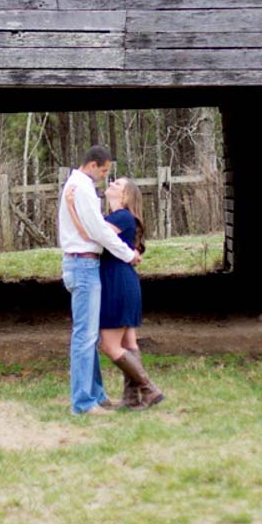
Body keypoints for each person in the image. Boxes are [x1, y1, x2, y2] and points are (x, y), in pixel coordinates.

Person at [58, 145, 142, 416]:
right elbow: (99, 232)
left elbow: (91, 229)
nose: (105, 177)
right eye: (105, 171)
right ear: (93, 165)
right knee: (84, 336)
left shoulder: (78, 187)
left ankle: (96, 394)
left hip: (82, 263)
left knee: (89, 335)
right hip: (83, 264)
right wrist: (128, 254)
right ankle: (83, 403)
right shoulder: (82, 187)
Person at [97, 177, 164, 409]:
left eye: (117, 184)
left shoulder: (121, 217)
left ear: (125, 196)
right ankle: (131, 399)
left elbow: (96, 234)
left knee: (109, 346)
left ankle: (149, 388)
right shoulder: (124, 218)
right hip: (125, 281)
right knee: (128, 342)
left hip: (116, 283)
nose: (111, 184)